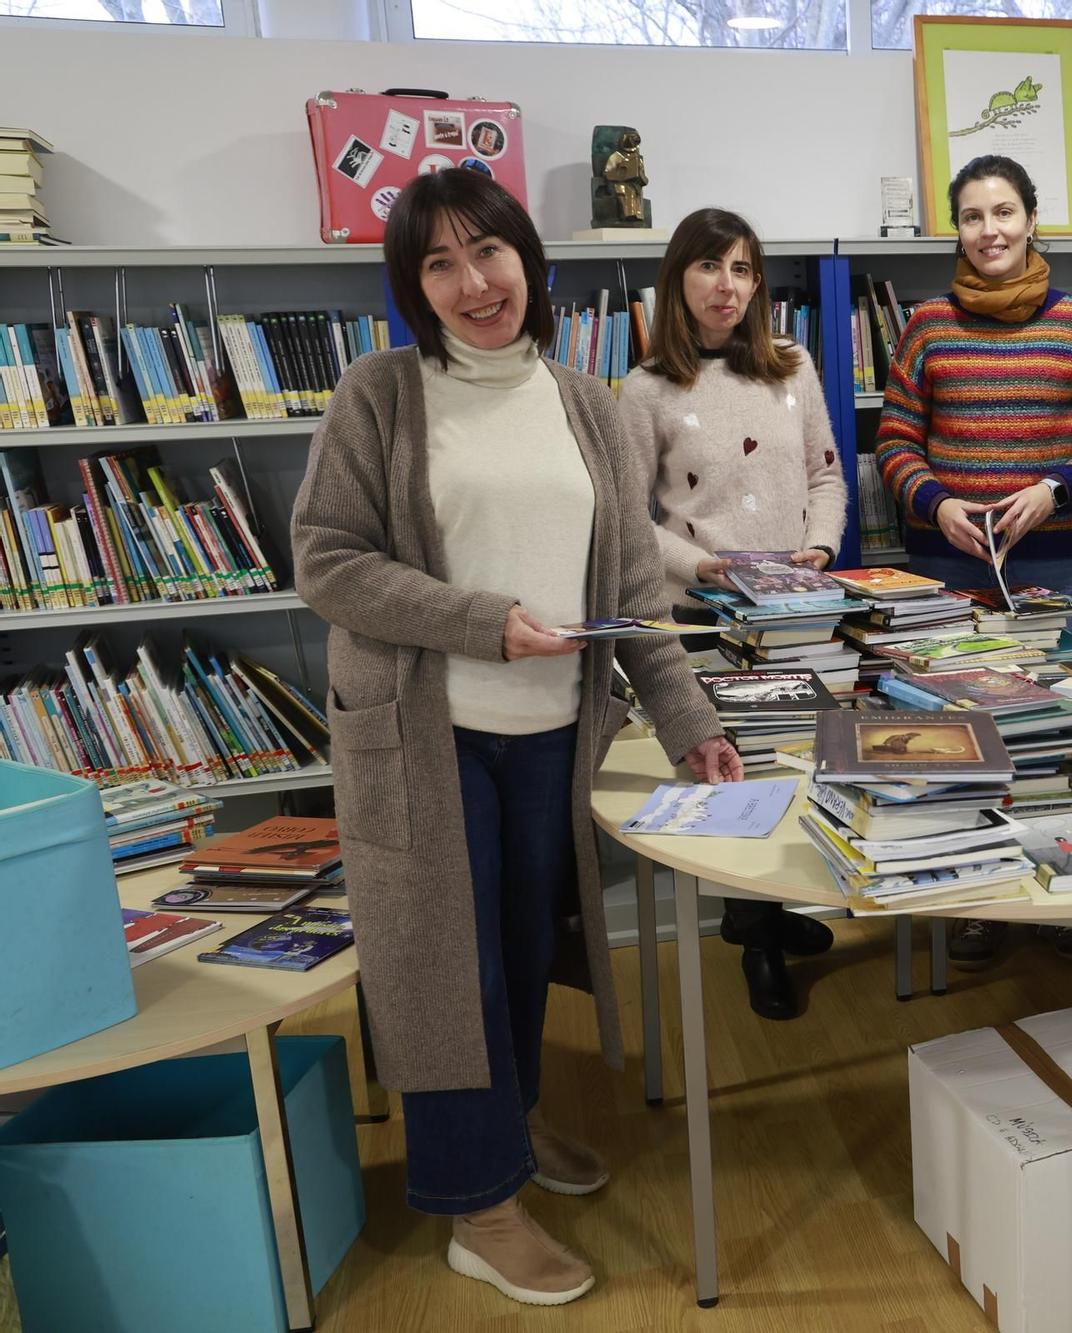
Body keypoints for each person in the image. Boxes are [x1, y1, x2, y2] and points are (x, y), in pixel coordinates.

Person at [291, 167, 741, 1306]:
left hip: (552, 738)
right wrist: (480, 621)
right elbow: (328, 562)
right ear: (414, 286)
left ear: (526, 260)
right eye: (436, 262)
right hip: (425, 738)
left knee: (523, 952)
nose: (470, 281)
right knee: (447, 973)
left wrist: (687, 717)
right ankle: (475, 1208)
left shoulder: (588, 402)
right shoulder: (379, 394)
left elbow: (633, 582)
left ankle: (510, 1130)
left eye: (486, 251)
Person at [875, 153, 1072, 970]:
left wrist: (1056, 489)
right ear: (957, 228)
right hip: (944, 574)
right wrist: (936, 503)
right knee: (956, 741)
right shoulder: (926, 325)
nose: (991, 230)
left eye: (1005, 212)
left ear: (1031, 219)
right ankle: (975, 899)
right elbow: (893, 443)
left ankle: (1058, 884)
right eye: (975, 215)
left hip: (1052, 571)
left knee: (1053, 738)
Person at [620, 206, 847, 1022]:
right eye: (712, 267)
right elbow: (627, 516)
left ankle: (776, 912)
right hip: (708, 617)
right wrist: (703, 564)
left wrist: (819, 550)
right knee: (734, 774)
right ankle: (752, 934)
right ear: (678, 277)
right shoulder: (645, 388)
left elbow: (827, 477)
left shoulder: (792, 367)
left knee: (801, 764)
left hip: (798, 613)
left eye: (745, 270)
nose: (729, 286)